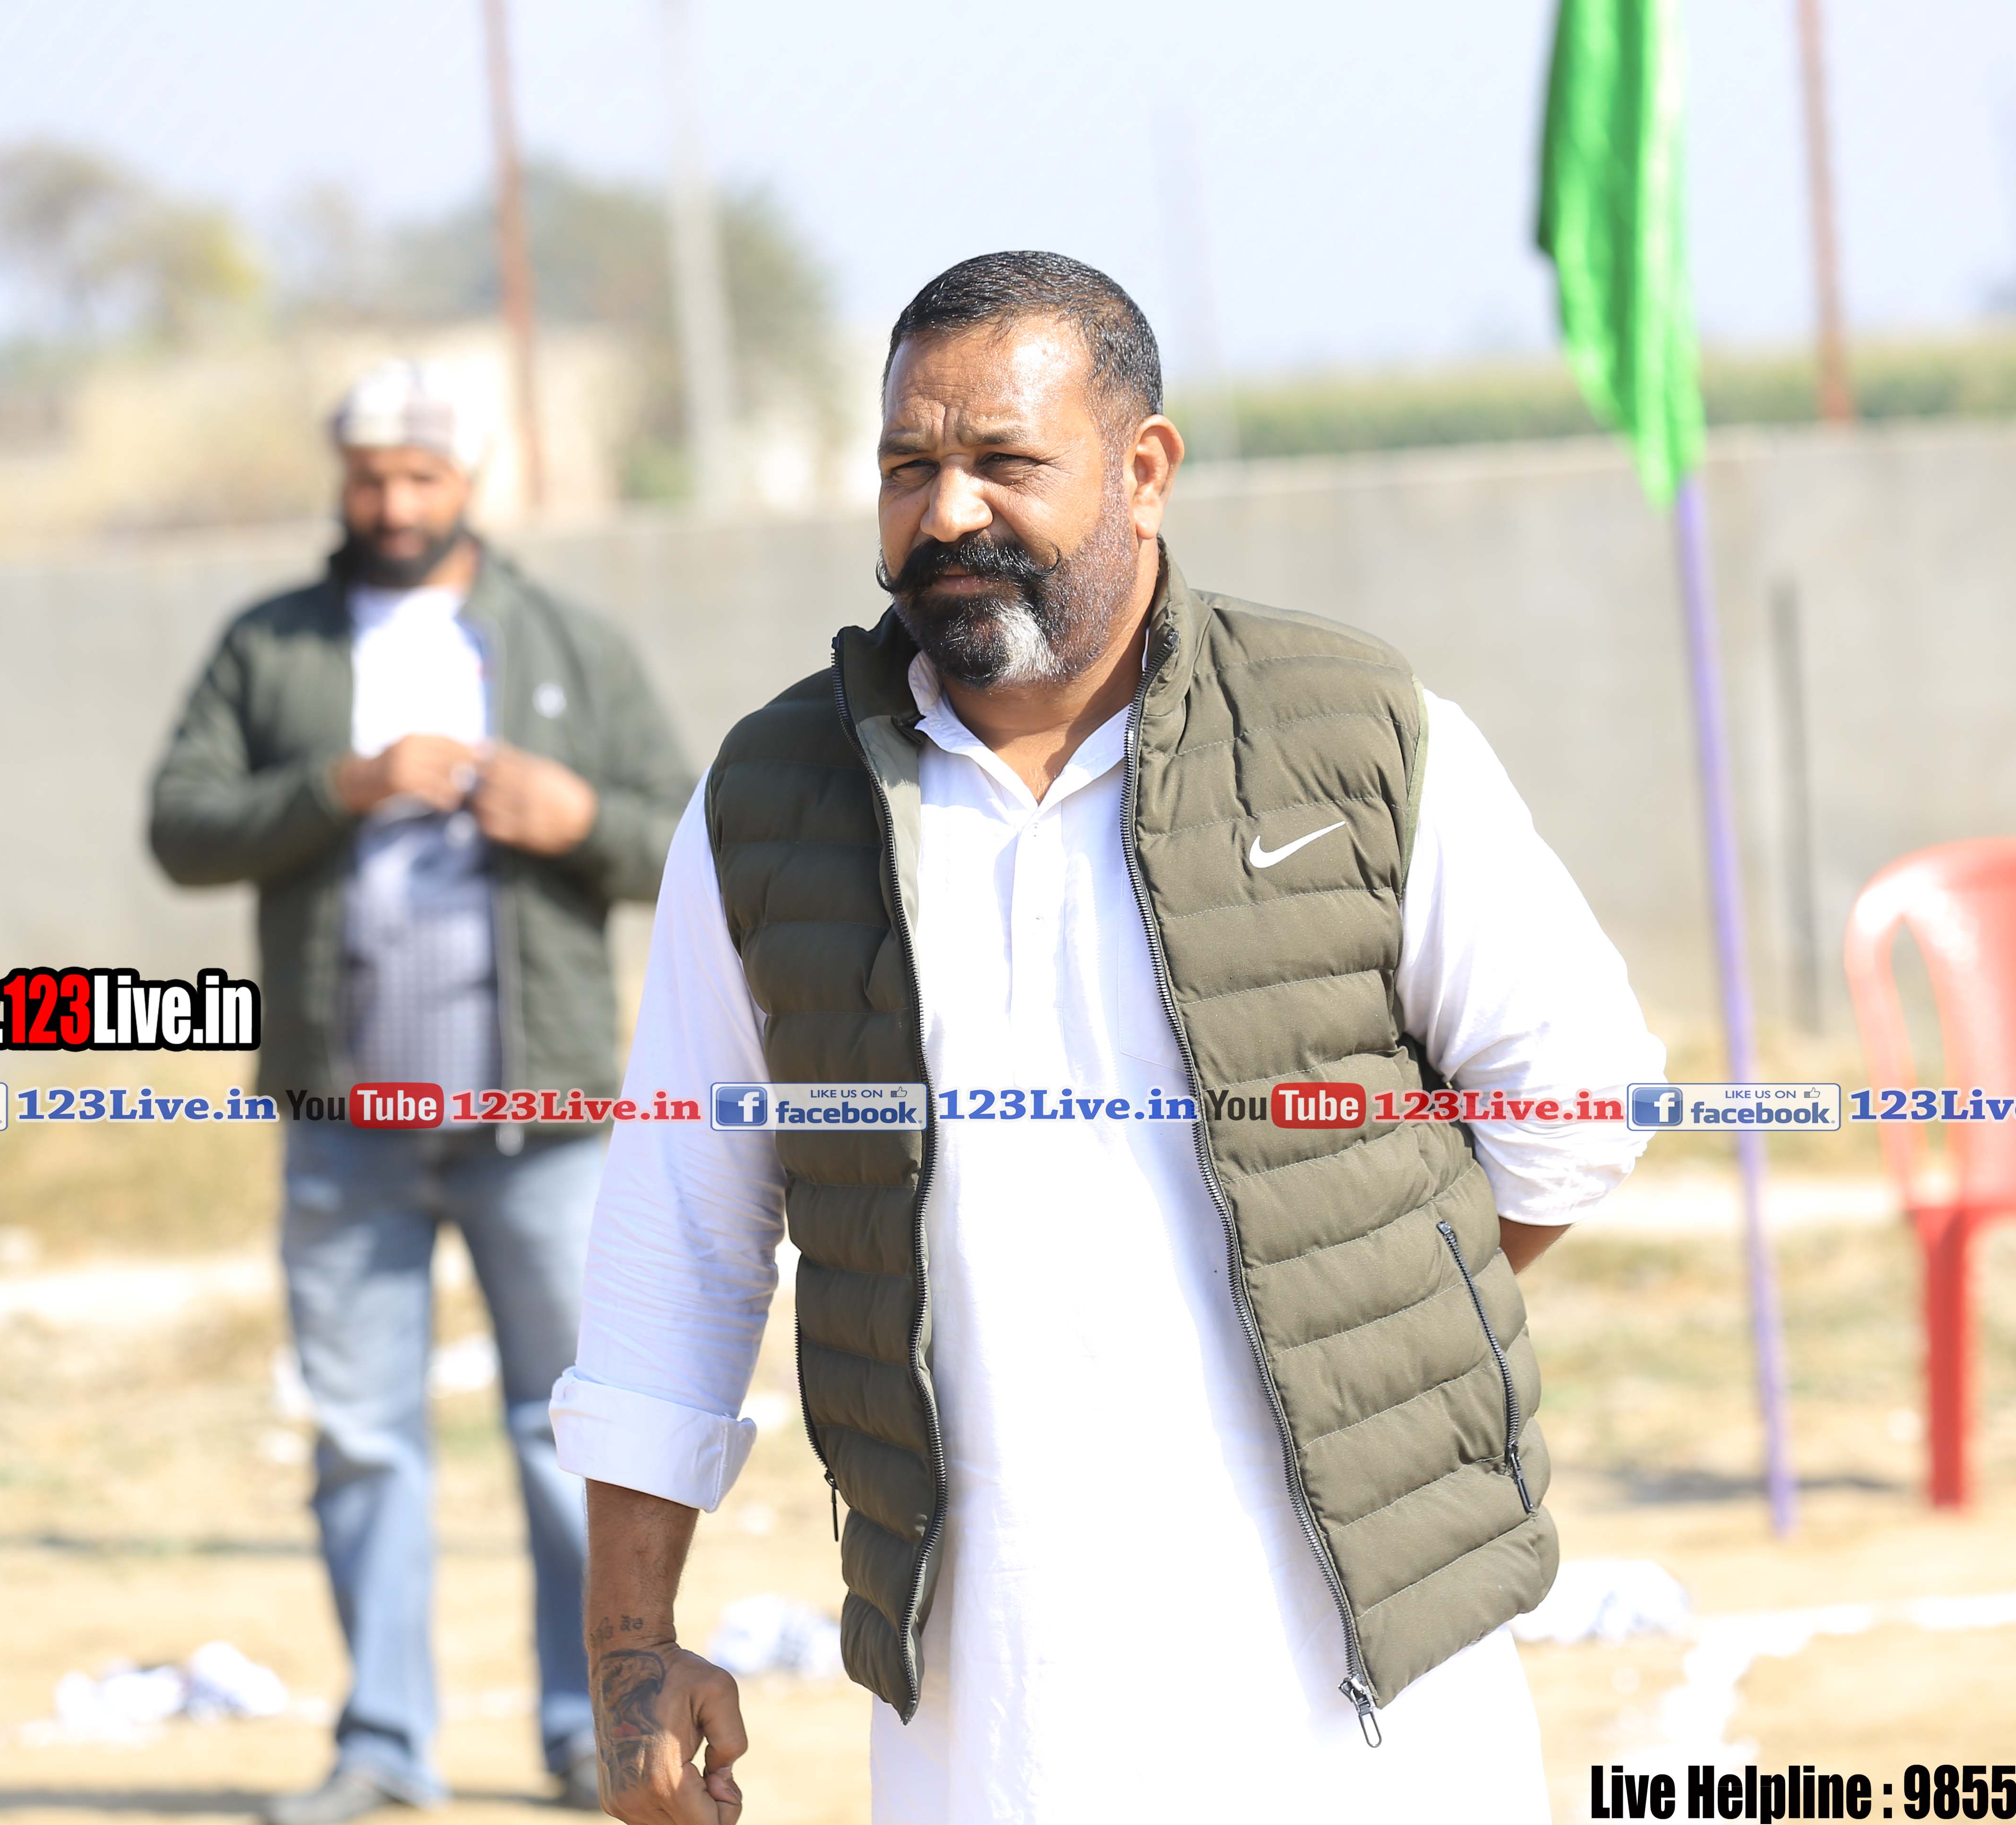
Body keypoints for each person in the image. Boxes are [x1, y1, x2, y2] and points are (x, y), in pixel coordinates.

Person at [549, 253, 1666, 1825]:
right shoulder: (774, 804)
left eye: (1005, 461)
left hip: (1360, 1685)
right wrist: (630, 1646)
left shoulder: (1348, 733)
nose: (947, 513)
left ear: (1144, 471)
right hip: (994, 1698)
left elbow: (1576, 1099)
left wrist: (1366, 1325)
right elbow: (681, 1230)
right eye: (907, 467)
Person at [148, 360, 698, 1825]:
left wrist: (577, 818)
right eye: (369, 478)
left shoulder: (566, 642)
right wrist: (342, 786)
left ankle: (587, 1730)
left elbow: (687, 838)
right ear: (342, 482)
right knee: (362, 1442)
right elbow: (181, 826)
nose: (393, 504)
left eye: (421, 478)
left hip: (545, 1124)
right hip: (348, 1128)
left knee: (568, 1435)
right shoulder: (272, 648)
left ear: (469, 482)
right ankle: (386, 1743)